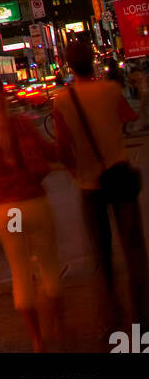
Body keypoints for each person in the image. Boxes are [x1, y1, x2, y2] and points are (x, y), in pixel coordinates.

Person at [53, 37, 148, 328]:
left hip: (89, 186)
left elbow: (63, 149)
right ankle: (142, 318)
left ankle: (111, 319)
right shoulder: (110, 89)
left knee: (102, 255)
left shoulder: (62, 100)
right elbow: (130, 116)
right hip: (119, 178)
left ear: (69, 66)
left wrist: (75, 171)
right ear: (92, 61)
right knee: (134, 252)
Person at [0, 77, 62, 352]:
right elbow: (50, 152)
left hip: (7, 209)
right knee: (48, 267)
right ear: (7, 97)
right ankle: (57, 325)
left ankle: (36, 340)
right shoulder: (23, 124)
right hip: (34, 201)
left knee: (20, 273)